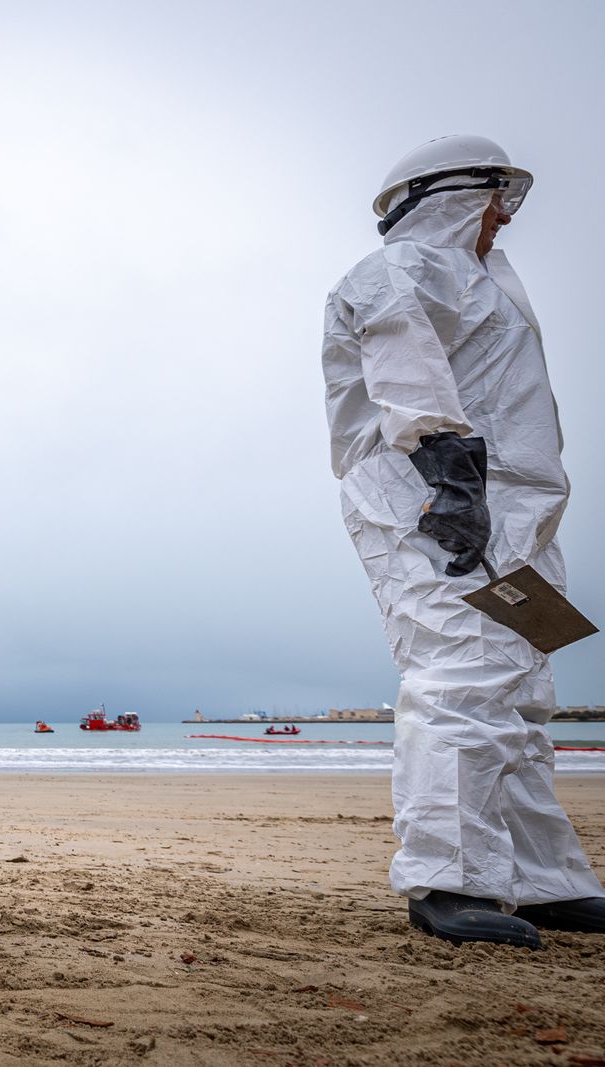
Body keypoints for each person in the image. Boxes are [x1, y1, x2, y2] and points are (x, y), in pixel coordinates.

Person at [322, 134, 605, 949]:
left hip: (511, 512)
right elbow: (405, 371)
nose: (501, 221)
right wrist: (450, 477)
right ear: (450, 196)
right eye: (493, 202)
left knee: (517, 692)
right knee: (460, 676)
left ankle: (540, 878)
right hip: (439, 501)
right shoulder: (399, 272)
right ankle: (449, 878)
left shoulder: (478, 281)